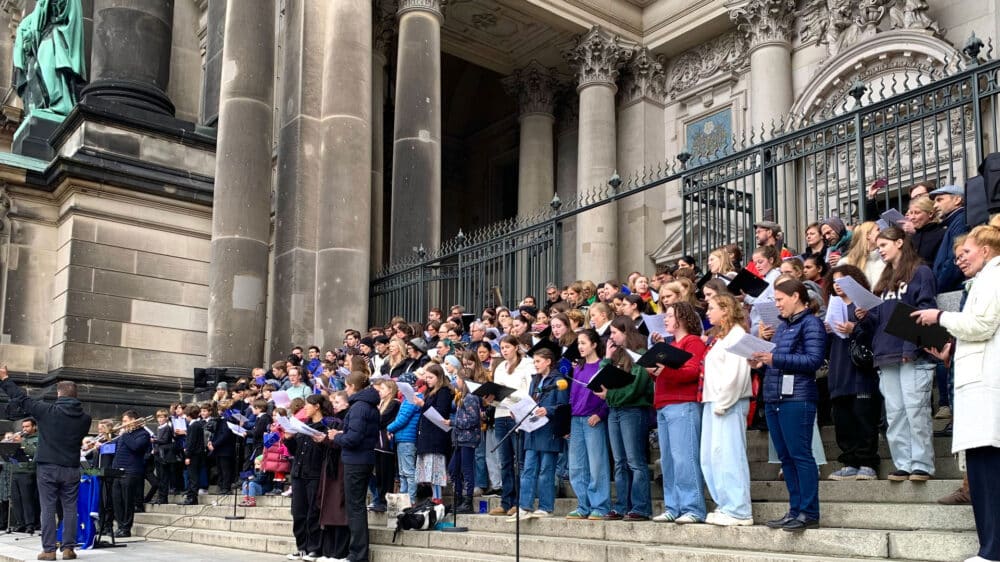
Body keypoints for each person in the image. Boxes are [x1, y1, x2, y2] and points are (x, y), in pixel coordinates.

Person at [912, 224, 1000, 562]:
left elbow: (981, 325)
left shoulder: (993, 276)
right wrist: (952, 354)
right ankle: (989, 549)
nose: (958, 260)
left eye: (965, 253)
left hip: (986, 392)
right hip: (977, 387)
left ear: (987, 249)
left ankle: (993, 551)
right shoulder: (983, 279)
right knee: (981, 473)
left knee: (989, 475)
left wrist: (940, 315)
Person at [751, 279, 827, 532]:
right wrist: (761, 362)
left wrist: (774, 358)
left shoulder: (811, 323)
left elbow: (814, 360)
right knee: (786, 457)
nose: (777, 304)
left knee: (800, 455)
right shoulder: (782, 327)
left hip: (798, 398)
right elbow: (778, 360)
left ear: (796, 296)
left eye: (780, 299)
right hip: (774, 397)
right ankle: (795, 510)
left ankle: (809, 512)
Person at [862, 226, 938, 481]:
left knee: (915, 409)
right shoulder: (884, 279)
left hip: (912, 352)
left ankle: (922, 464)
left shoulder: (921, 271)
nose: (880, 250)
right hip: (886, 352)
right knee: (894, 413)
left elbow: (926, 311)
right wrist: (863, 315)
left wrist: (911, 346)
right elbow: (880, 318)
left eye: (884, 245)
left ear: (899, 243)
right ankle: (903, 462)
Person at [0, 371, 91, 561]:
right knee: (69, 508)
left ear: (58, 394)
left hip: (48, 467)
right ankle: (68, 549)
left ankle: (49, 550)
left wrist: (5, 379)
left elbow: (21, 398)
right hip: (71, 467)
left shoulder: (47, 411)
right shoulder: (85, 418)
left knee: (48, 507)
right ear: (75, 395)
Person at [700, 294, 755, 526]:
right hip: (714, 401)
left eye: (711, 308)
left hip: (727, 403)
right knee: (712, 457)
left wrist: (724, 402)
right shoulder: (721, 337)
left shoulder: (737, 336)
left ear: (725, 310)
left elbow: (737, 373)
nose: (707, 312)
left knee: (730, 455)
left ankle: (739, 509)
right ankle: (725, 504)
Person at [651, 303, 707, 524]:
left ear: (681, 318)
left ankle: (693, 507)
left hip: (683, 403)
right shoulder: (669, 344)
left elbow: (693, 371)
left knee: (685, 458)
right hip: (664, 403)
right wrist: (654, 372)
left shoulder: (692, 341)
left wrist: (665, 370)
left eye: (669, 315)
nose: (665, 319)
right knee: (669, 461)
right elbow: (666, 376)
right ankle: (673, 506)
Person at [825, 265, 880, 481]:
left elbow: (876, 334)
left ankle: (867, 462)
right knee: (843, 419)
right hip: (839, 371)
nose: (838, 286)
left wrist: (855, 327)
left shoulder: (865, 305)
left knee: (864, 417)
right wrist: (828, 330)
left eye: (843, 281)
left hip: (861, 371)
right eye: (835, 281)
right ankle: (849, 461)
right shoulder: (833, 306)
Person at [596, 316, 653, 521]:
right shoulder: (617, 356)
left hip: (633, 410)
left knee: (635, 461)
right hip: (615, 411)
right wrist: (607, 358)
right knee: (619, 462)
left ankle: (640, 506)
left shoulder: (640, 356)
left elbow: (635, 389)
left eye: (614, 333)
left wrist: (609, 395)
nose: (611, 337)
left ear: (626, 332)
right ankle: (622, 505)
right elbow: (602, 379)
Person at [510, 348, 568, 521]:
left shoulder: (559, 380)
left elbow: (563, 406)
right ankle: (525, 505)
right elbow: (530, 402)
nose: (535, 365)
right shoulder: (535, 380)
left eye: (538, 361)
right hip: (533, 430)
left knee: (546, 470)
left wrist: (548, 410)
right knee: (528, 469)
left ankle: (545, 506)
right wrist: (519, 412)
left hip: (549, 431)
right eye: (534, 361)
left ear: (548, 361)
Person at [329, 371, 381, 562]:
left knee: (355, 507)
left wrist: (337, 436)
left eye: (346, 386)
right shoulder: (369, 405)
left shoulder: (359, 407)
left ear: (351, 387)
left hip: (356, 460)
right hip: (363, 458)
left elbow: (353, 438)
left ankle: (357, 554)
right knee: (356, 505)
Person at [564, 329, 610, 520]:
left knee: (596, 464)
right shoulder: (578, 367)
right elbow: (573, 396)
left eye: (583, 343)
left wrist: (600, 414)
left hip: (593, 419)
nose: (580, 347)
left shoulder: (602, 366)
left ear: (593, 344)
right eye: (578, 343)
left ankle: (600, 505)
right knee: (576, 466)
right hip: (576, 419)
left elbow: (609, 394)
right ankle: (583, 504)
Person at [486, 336, 535, 516]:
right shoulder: (499, 367)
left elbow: (527, 392)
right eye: (502, 348)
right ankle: (506, 502)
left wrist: (506, 394)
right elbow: (497, 393)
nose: (504, 350)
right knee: (504, 461)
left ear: (516, 347)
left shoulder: (527, 365)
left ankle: (520, 502)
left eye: (507, 347)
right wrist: (491, 399)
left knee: (519, 460)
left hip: (517, 415)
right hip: (501, 415)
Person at [414, 364, 454, 503]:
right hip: (426, 435)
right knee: (428, 470)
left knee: (436, 469)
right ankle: (434, 495)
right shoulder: (429, 392)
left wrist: (422, 405)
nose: (428, 380)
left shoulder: (444, 391)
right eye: (426, 377)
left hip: (437, 436)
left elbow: (441, 412)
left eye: (431, 377)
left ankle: (438, 497)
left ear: (439, 377)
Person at [111, 410, 151, 538]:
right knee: (116, 500)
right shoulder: (124, 435)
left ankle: (126, 528)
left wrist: (124, 434)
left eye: (125, 421)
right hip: (117, 470)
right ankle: (120, 525)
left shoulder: (143, 434)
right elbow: (115, 448)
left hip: (131, 470)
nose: (123, 424)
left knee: (127, 500)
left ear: (134, 420)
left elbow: (136, 447)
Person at [449, 370, 482, 514]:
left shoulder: (471, 397)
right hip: (459, 439)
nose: (456, 381)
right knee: (453, 468)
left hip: (468, 439)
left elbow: (473, 419)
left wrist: (453, 422)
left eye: (457, 378)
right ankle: (458, 498)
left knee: (467, 469)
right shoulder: (461, 397)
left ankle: (467, 501)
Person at [370, 378, 400, 513]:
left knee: (386, 473)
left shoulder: (394, 403)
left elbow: (381, 421)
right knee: (379, 474)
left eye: (382, 389)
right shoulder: (381, 403)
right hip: (377, 443)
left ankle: (384, 500)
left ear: (390, 390)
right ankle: (379, 499)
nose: (380, 392)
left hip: (386, 444)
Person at [10, 418, 38, 534]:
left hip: (28, 472)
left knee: (27, 499)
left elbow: (34, 452)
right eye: (23, 427)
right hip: (16, 470)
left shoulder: (38, 438)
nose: (24, 429)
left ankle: (30, 524)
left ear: (34, 427)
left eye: (27, 426)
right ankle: (20, 523)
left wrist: (21, 442)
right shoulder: (22, 438)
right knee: (16, 499)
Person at [179, 405, 205, 506]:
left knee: (192, 477)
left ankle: (192, 497)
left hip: (193, 455)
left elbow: (191, 443)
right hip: (196, 454)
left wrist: (187, 456)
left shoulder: (194, 426)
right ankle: (191, 496)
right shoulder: (197, 425)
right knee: (192, 476)